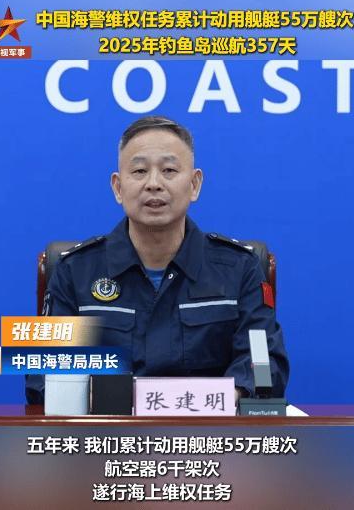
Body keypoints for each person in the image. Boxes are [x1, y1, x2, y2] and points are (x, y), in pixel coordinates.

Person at [26, 116, 289, 404]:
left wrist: (223, 400)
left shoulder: (240, 269)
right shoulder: (73, 271)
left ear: (194, 184)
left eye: (169, 170)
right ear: (118, 187)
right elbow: (41, 375)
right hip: (108, 428)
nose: (154, 184)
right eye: (139, 171)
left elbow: (265, 365)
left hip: (209, 428)